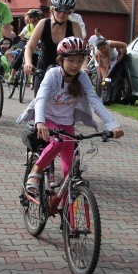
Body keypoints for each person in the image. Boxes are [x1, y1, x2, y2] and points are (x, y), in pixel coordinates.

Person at [16, 37, 124, 202]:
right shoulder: (53, 74)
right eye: (71, 60)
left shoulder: (81, 78)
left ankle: (65, 211)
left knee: (70, 171)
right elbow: (41, 98)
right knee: (57, 142)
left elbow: (95, 101)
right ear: (61, 60)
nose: (75, 65)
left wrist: (112, 125)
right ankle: (36, 171)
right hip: (48, 119)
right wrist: (40, 122)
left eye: (79, 61)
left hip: (67, 124)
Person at [23, 0, 83, 96]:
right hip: (44, 68)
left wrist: (84, 67)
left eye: (66, 10)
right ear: (52, 9)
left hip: (66, 71)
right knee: (39, 102)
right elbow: (30, 47)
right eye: (58, 9)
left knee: (68, 104)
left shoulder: (74, 26)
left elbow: (82, 51)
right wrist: (28, 62)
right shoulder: (43, 24)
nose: (61, 13)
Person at [9, 9, 41, 83]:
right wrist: (17, 39)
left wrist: (39, 46)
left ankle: (34, 80)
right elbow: (21, 35)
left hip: (38, 49)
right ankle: (11, 77)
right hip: (28, 46)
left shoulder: (41, 26)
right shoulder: (28, 26)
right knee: (18, 59)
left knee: (36, 64)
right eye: (28, 17)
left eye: (30, 17)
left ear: (36, 18)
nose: (28, 19)